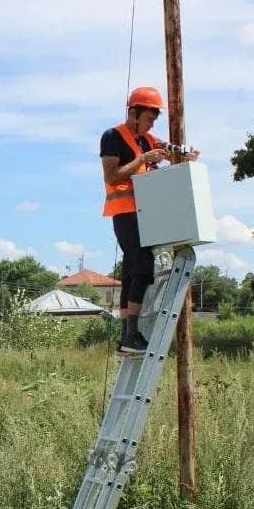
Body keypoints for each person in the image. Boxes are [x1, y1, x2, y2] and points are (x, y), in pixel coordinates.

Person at [100, 86, 198, 354]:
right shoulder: (112, 137)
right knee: (142, 266)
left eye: (154, 119)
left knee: (133, 268)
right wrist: (143, 159)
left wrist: (185, 154)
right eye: (148, 117)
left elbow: (170, 148)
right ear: (133, 113)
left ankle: (126, 336)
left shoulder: (147, 139)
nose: (151, 123)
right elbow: (112, 177)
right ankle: (131, 333)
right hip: (124, 213)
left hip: (145, 213)